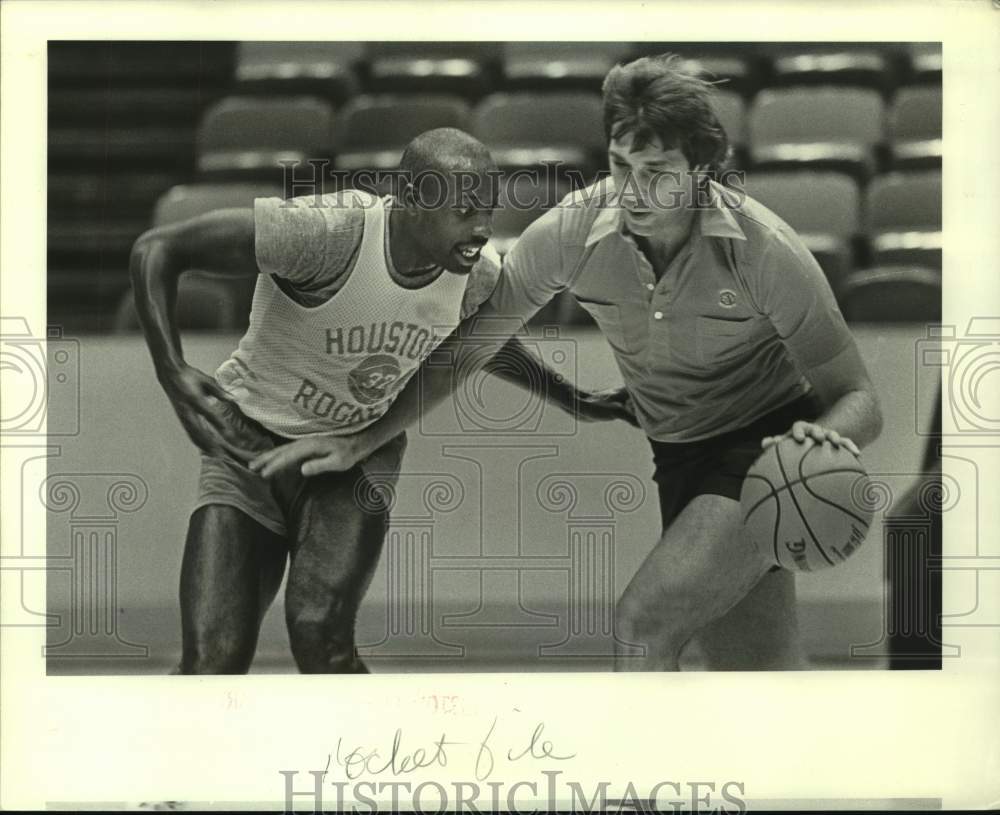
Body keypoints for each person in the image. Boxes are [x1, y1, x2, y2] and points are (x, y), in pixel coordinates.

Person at [251, 56, 885, 672]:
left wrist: (829, 435)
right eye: (620, 164)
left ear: (703, 168)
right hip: (679, 454)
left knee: (643, 624)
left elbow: (860, 398)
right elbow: (470, 346)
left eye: (657, 170)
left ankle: (639, 785)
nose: (634, 189)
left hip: (764, 446)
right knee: (757, 671)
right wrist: (363, 438)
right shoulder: (571, 232)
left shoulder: (764, 249)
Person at [130, 128, 631, 674]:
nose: (483, 231)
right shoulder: (325, 234)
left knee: (320, 635)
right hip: (249, 446)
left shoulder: (475, 277)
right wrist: (172, 370)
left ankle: (379, 755)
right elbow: (157, 249)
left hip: (354, 454)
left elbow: (485, 345)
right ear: (412, 200)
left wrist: (573, 399)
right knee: (211, 663)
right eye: (465, 212)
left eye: (488, 211)